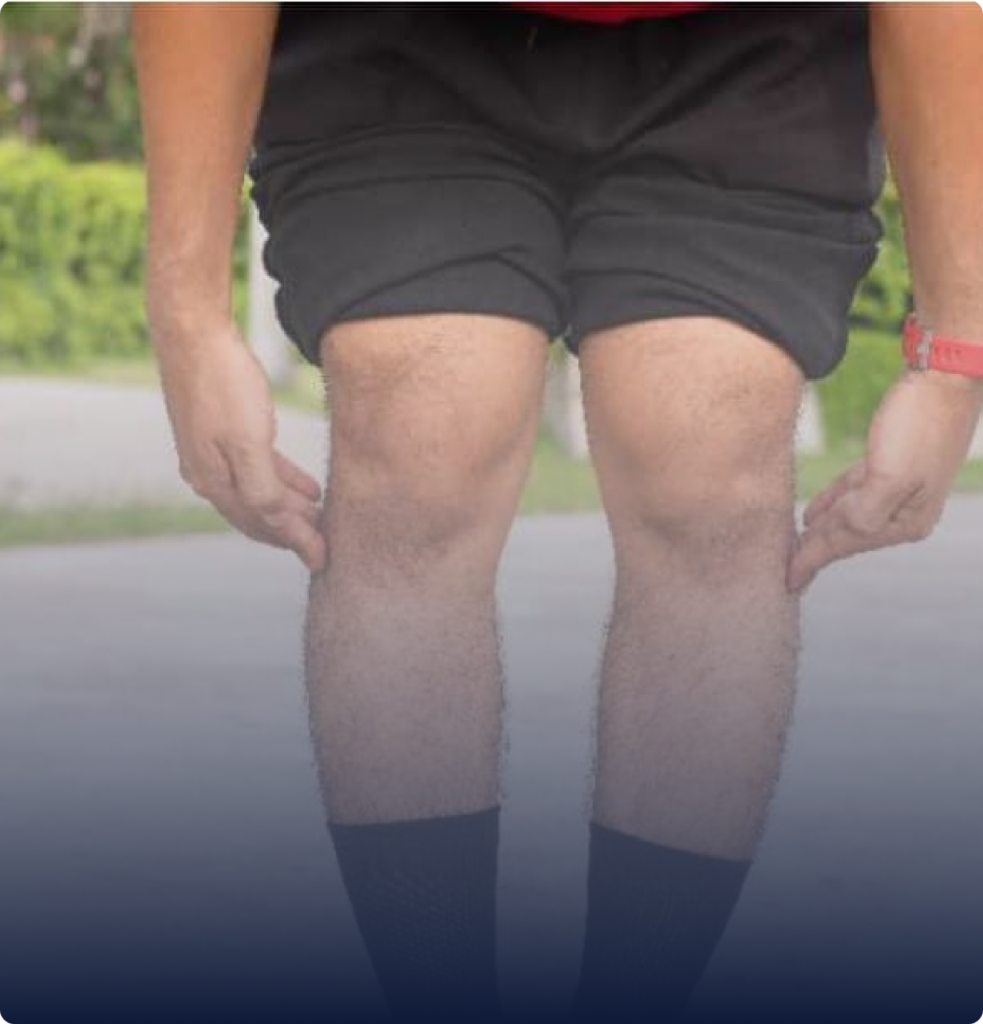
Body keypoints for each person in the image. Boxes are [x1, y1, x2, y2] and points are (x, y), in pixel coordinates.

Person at [132, 3, 983, 1020]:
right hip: (406, 35)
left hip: (749, 40)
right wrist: (187, 315)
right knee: (419, 441)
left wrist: (955, 347)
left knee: (706, 466)